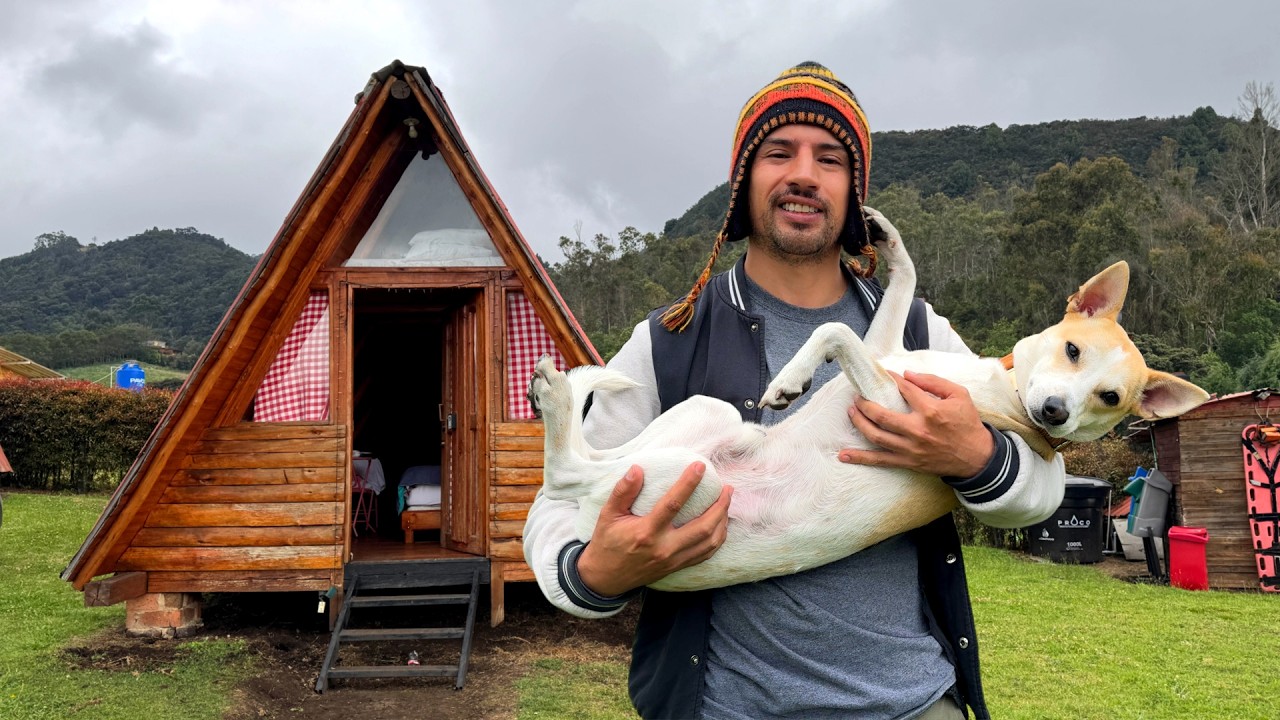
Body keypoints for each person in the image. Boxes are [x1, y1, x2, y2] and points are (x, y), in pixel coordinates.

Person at [524, 61, 1065, 720]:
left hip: (913, 704)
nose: (803, 173)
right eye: (779, 152)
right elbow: (556, 503)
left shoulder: (920, 331)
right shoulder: (671, 340)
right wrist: (590, 574)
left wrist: (978, 458)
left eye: (830, 158)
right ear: (744, 183)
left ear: (854, 190)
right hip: (726, 707)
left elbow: (1045, 484)